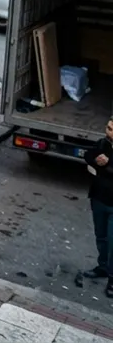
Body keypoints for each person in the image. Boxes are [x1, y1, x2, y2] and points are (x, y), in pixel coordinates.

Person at [78, 117, 113, 295]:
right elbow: (88, 155)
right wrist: (95, 160)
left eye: (112, 130)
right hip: (99, 198)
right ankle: (103, 267)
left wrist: (107, 164)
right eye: (108, 127)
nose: (108, 132)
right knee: (101, 236)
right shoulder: (102, 143)